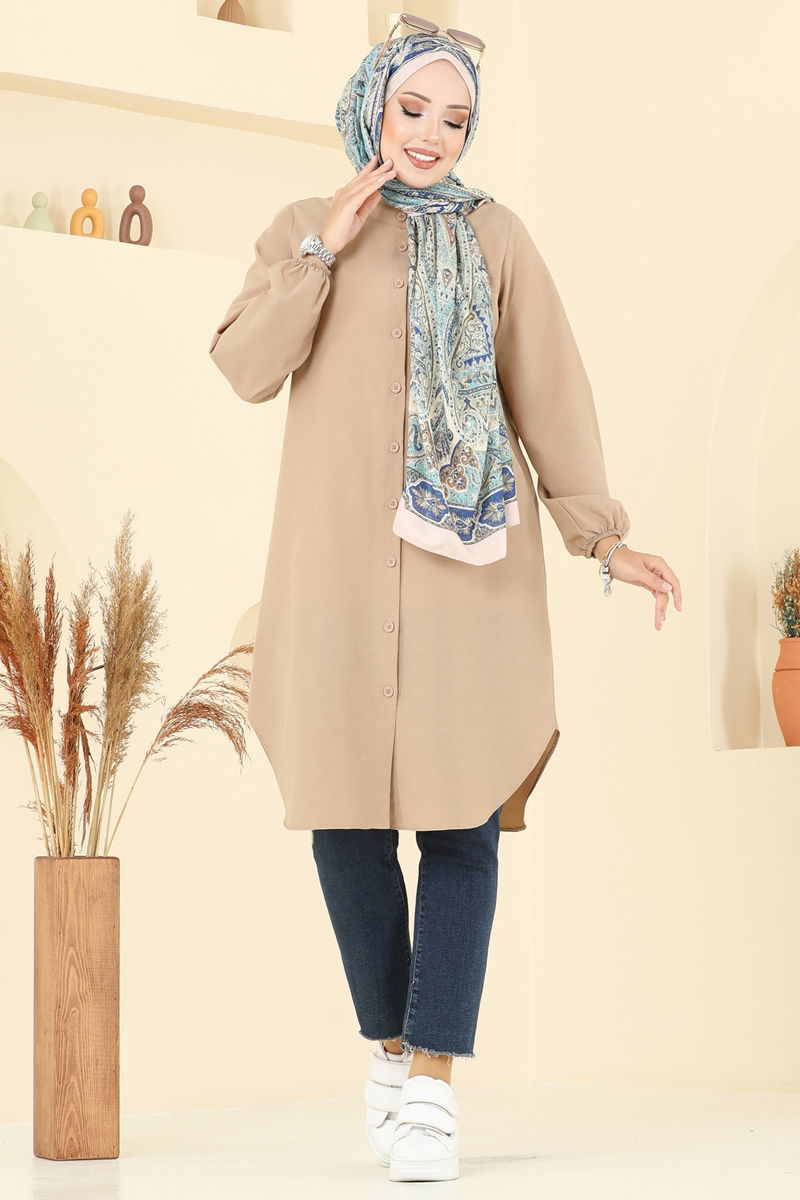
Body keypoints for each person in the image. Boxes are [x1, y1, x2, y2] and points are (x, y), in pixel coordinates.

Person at [209, 16, 681, 1185]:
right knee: (343, 821)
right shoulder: (301, 225)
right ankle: (387, 1044)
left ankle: (429, 1082)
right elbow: (245, 365)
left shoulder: (496, 236)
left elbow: (548, 394)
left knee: (462, 824)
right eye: (412, 109)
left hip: (471, 572)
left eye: (454, 119)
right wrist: (321, 249)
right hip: (333, 571)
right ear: (372, 102)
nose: (430, 135)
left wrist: (600, 535)